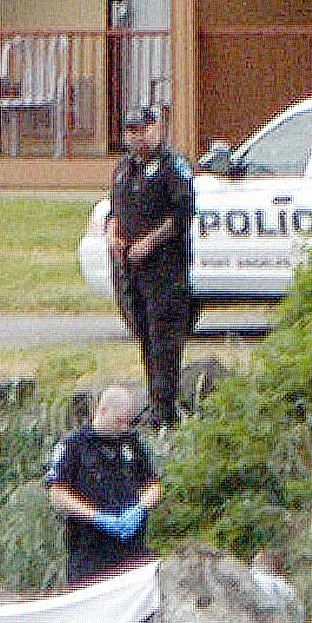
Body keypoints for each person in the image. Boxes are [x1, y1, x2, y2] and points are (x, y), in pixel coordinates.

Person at [101, 102, 198, 429]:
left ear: (156, 129)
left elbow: (181, 215)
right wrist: (113, 232)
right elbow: (113, 209)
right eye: (131, 131)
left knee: (164, 340)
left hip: (165, 270)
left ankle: (166, 411)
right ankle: (155, 404)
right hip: (131, 270)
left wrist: (149, 243)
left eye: (142, 130)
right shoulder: (125, 168)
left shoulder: (172, 166)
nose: (137, 138)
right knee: (142, 333)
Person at [43, 383, 161, 586]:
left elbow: (154, 485)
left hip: (131, 550)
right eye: (119, 421)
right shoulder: (73, 446)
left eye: (128, 423)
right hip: (89, 552)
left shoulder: (132, 443)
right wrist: (97, 517)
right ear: (103, 410)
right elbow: (57, 493)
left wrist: (141, 507)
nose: (123, 427)